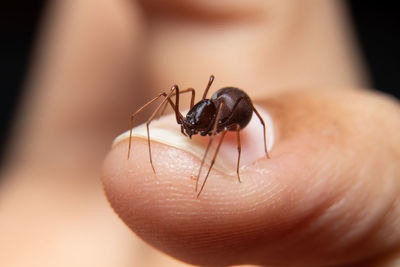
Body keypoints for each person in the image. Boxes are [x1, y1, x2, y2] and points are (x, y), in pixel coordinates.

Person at [1, 1, 399, 266]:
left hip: (235, 111)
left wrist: (232, 165)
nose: (184, 123)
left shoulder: (224, 118)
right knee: (171, 95)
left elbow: (248, 113)